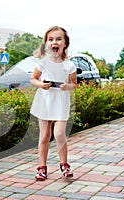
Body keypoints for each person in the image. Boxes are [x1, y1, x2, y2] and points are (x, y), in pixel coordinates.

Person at [30, 26, 77, 181]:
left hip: (61, 102)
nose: (54, 42)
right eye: (50, 39)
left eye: (58, 39)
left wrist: (67, 86)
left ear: (65, 43)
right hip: (44, 101)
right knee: (44, 135)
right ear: (46, 44)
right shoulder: (42, 63)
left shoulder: (69, 65)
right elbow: (33, 79)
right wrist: (41, 84)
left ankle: (64, 164)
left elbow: (74, 84)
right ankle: (42, 167)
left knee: (59, 134)